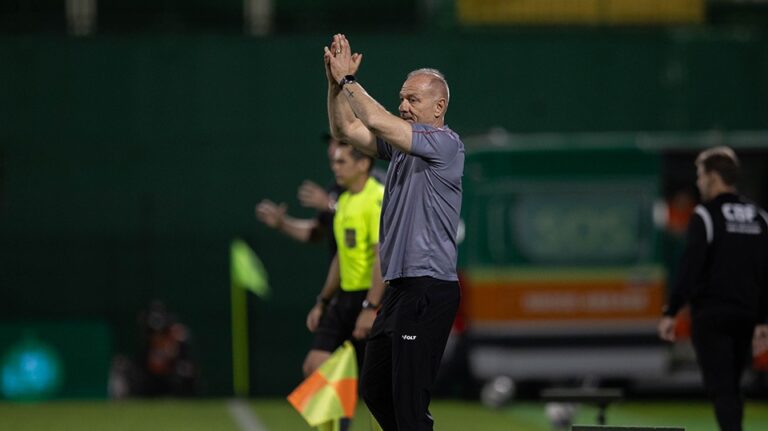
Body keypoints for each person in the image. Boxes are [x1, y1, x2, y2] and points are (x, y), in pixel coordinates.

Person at [325, 34, 464, 430]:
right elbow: (345, 129)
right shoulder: (402, 149)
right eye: (401, 98)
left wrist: (349, 81)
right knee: (375, 388)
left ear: (439, 107)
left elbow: (374, 119)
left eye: (412, 99)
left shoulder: (445, 144)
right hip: (399, 288)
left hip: (428, 287)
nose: (403, 105)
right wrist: (334, 85)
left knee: (408, 399)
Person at [658, 146, 768, 431]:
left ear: (714, 176)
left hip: (713, 316)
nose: (698, 182)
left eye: (700, 175)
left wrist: (671, 311)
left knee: (721, 387)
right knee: (732, 385)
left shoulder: (706, 215)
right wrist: (762, 319)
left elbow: (690, 266)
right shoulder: (759, 217)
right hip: (746, 315)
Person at [255, 135, 344, 261]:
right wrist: (282, 223)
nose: (332, 150)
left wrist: (330, 205)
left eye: (341, 143)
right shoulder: (336, 187)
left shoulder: (372, 186)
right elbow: (316, 233)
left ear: (363, 162)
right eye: (330, 144)